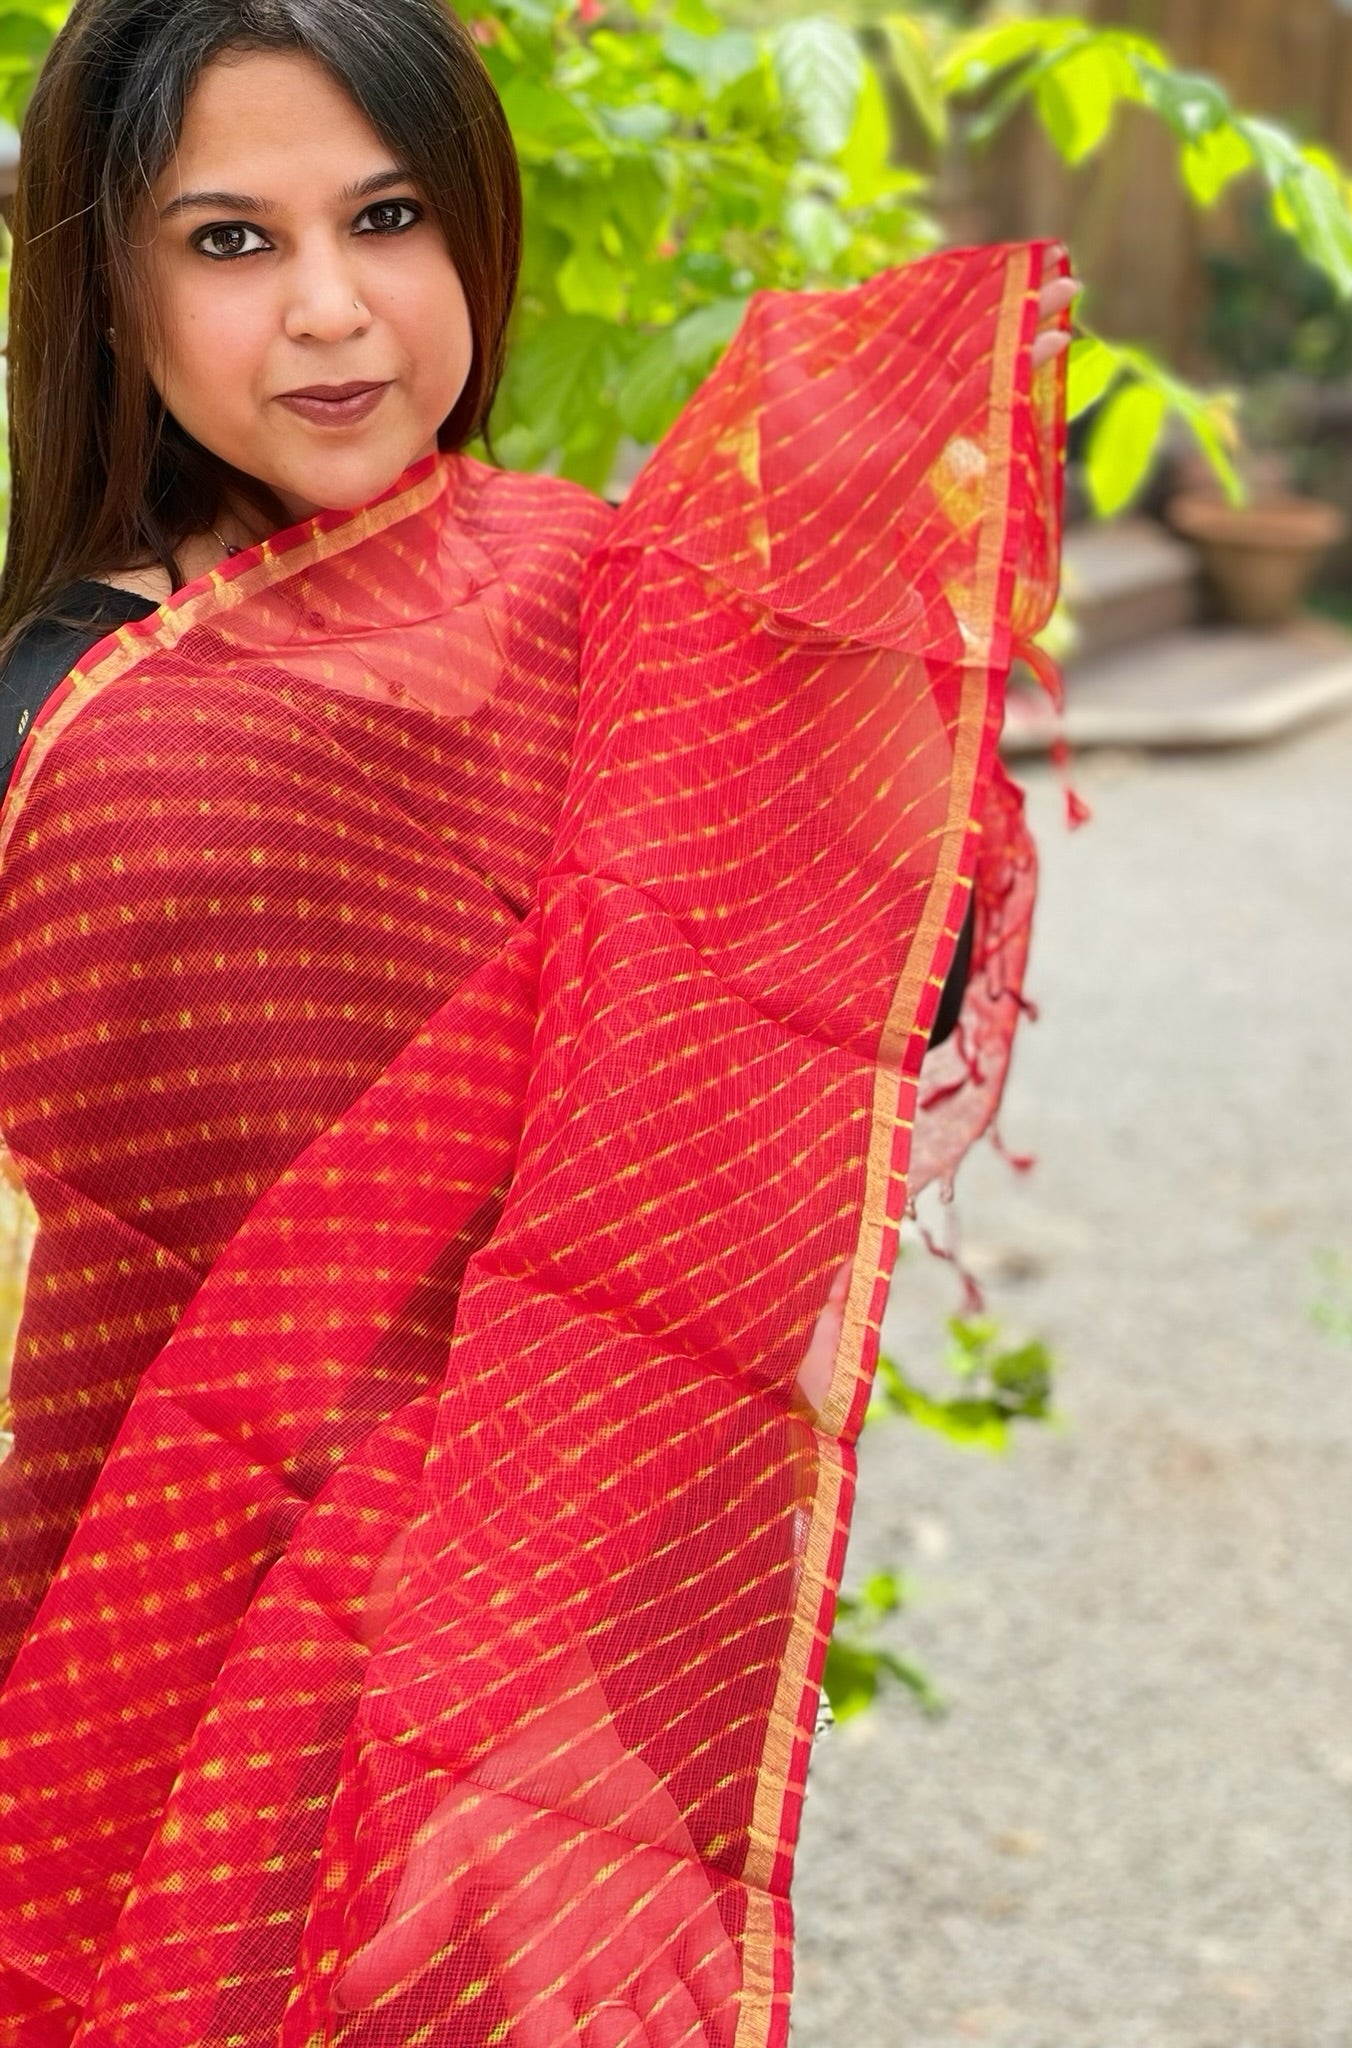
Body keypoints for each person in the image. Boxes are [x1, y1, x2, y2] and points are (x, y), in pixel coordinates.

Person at [0, 1, 1076, 2041]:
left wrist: (841, 652)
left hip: (564, 1605)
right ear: (106, 284)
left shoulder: (599, 589)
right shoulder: (80, 728)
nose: (332, 310)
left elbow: (842, 998)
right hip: (177, 1615)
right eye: (230, 241)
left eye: (387, 217)